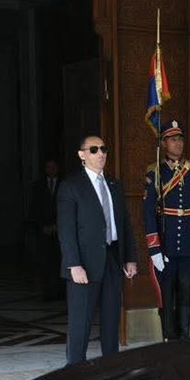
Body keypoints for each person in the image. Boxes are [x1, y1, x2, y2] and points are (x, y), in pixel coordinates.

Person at [57, 134, 138, 365]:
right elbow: (66, 230)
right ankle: (75, 371)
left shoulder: (114, 185)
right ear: (82, 155)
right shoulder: (71, 187)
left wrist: (130, 257)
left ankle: (110, 369)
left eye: (103, 149)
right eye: (94, 150)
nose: (100, 153)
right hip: (84, 264)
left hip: (112, 258)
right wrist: (73, 264)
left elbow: (124, 224)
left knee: (111, 320)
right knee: (80, 323)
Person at [143, 119, 190, 340]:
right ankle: (169, 341)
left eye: (180, 139)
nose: (178, 143)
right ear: (164, 143)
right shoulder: (155, 172)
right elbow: (148, 212)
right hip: (165, 244)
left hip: (188, 244)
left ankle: (184, 340)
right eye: (173, 140)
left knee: (186, 294)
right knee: (166, 295)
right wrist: (154, 248)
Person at [29, 157, 62, 299]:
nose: (51, 169)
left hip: (60, 230)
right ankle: (46, 292)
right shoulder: (38, 186)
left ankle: (60, 292)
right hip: (43, 231)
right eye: (48, 167)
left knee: (59, 261)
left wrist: (58, 226)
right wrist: (42, 226)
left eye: (53, 166)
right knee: (44, 261)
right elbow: (34, 209)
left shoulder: (64, 185)